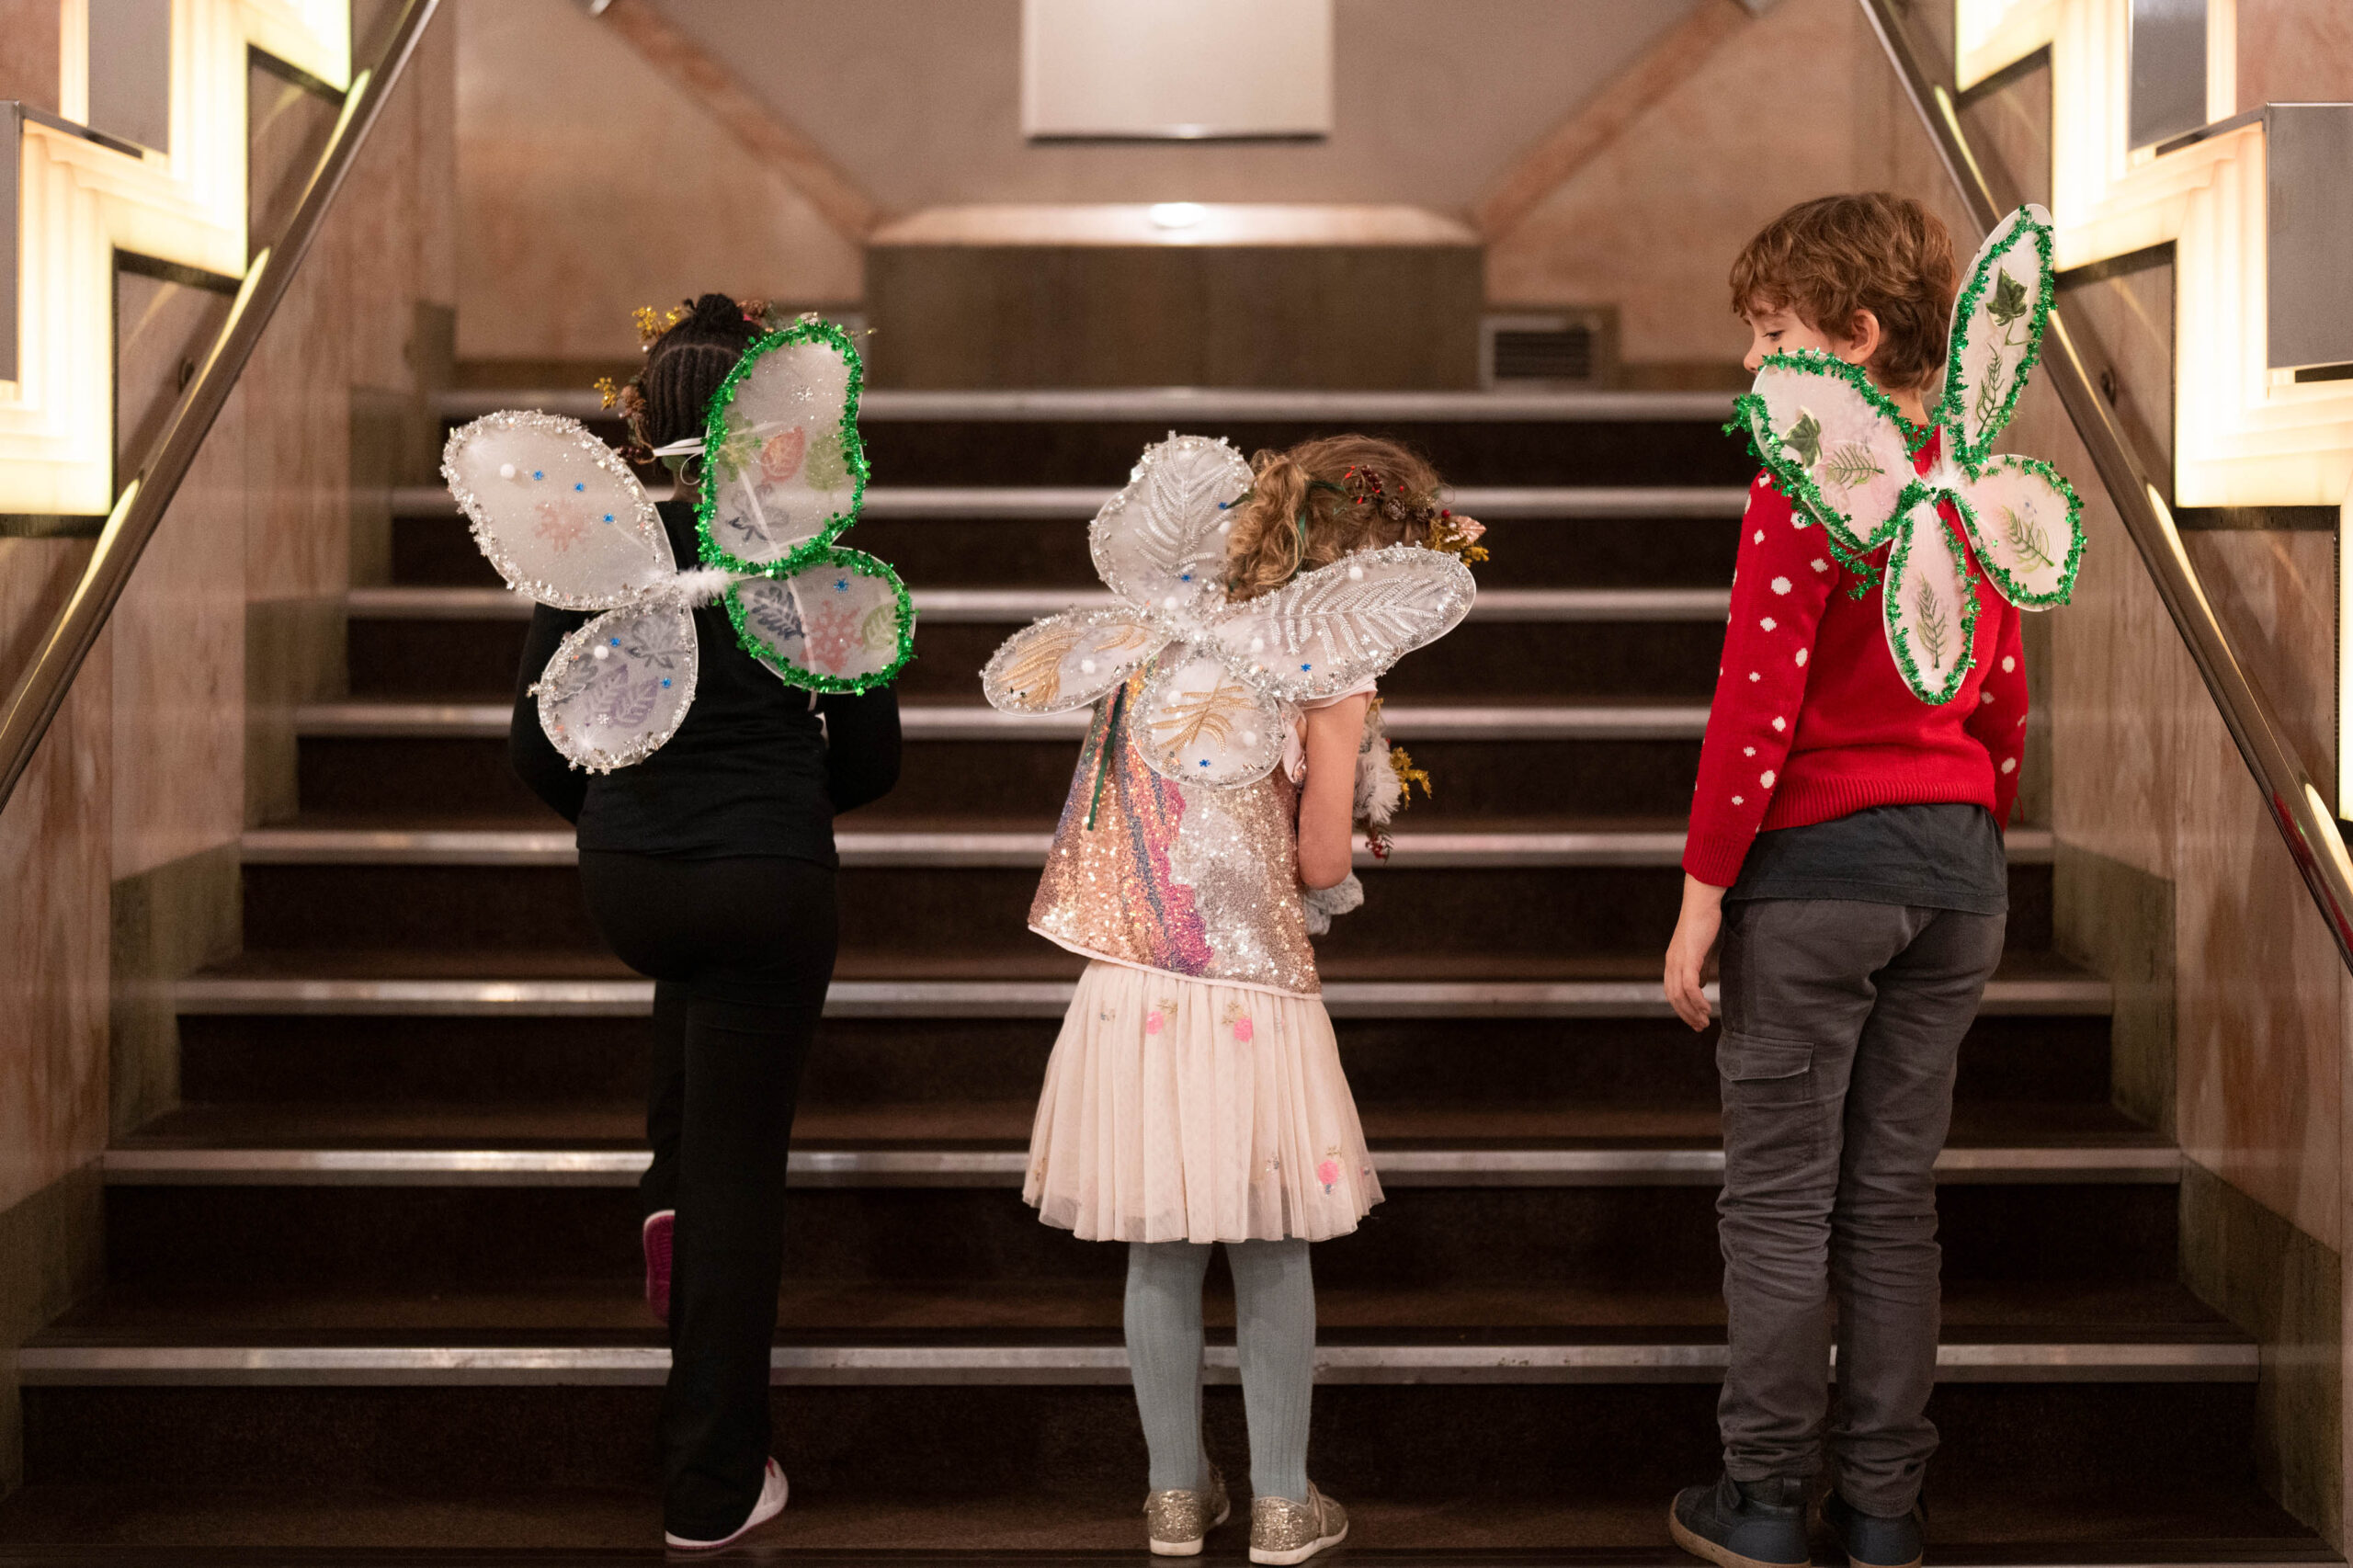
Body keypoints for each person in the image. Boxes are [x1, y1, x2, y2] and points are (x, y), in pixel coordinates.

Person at [986, 435, 1477, 1564]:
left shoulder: (1152, 634)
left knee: (1158, 1243)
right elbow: (1316, 860)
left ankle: (1172, 1495)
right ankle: (1283, 1502)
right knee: (1269, 1241)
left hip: (1133, 979)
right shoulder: (1324, 664)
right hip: (1249, 983)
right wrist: (1346, 827)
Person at [1663, 194, 2037, 1568]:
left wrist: (1703, 891)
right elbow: (2001, 696)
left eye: (1773, 335)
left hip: (1820, 868)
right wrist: (1968, 823)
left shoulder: (1805, 482)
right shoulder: (1976, 483)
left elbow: (1754, 707)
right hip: (1959, 867)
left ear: (1856, 335)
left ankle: (1764, 1494)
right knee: (1890, 1198)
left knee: (1778, 1197)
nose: (1752, 364)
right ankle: (1883, 1507)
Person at [505, 294, 902, 1552]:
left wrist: (632, 815)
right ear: (764, 420)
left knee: (694, 1007)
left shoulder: (599, 548)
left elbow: (538, 744)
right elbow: (874, 759)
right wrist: (773, 807)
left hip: (630, 880)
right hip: (766, 876)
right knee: (745, 1180)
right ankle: (713, 1483)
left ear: (644, 421)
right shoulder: (805, 548)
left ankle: (667, 1192)